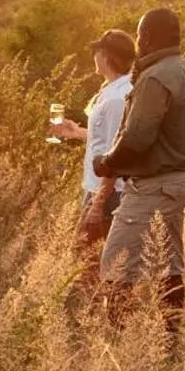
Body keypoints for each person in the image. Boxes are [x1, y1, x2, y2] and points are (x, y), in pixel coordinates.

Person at [92, 8, 185, 338]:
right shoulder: (183, 68)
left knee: (116, 264)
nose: (138, 42)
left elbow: (138, 137)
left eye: (140, 36)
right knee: (169, 264)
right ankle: (170, 343)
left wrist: (107, 162)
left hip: (155, 184)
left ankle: (119, 344)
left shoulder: (155, 77)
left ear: (149, 38)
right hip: (180, 179)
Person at [50, 28, 136, 299]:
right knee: (96, 258)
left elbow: (116, 156)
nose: (94, 56)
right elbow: (109, 140)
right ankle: (100, 313)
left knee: (88, 258)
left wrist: (98, 203)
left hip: (106, 192)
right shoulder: (112, 90)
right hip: (100, 188)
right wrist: (77, 133)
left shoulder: (115, 99)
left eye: (98, 51)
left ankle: (96, 314)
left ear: (107, 57)